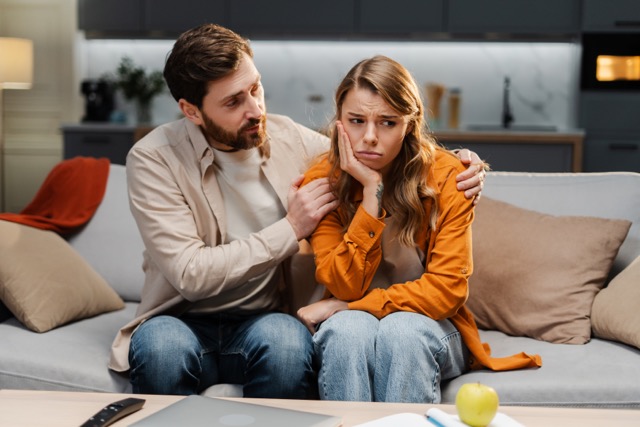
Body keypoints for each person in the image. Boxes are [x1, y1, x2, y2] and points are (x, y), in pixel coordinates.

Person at [107, 23, 488, 398]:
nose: (256, 110)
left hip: (263, 317)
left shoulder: (290, 139)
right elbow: (191, 274)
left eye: (255, 88)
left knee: (288, 347)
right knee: (162, 350)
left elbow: (371, 147)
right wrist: (291, 228)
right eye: (233, 102)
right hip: (180, 316)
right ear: (191, 111)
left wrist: (454, 164)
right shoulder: (153, 159)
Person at [297, 55, 541, 403]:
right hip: (352, 325)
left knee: (402, 331)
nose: (369, 137)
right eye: (356, 120)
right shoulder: (324, 180)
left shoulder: (449, 178)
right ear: (338, 122)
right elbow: (342, 284)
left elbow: (446, 291)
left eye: (387, 123)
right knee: (347, 332)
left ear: (409, 126)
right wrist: (371, 195)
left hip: (429, 327)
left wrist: (349, 307)